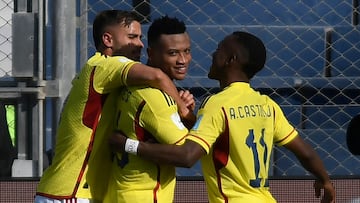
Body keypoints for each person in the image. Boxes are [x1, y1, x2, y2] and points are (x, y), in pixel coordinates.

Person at [111, 31, 336, 203]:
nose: (212, 54)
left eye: (219, 50)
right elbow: (305, 152)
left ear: (231, 59)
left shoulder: (216, 104)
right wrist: (325, 180)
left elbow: (187, 157)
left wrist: (128, 145)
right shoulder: (267, 105)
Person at [34, 10, 191, 203]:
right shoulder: (103, 66)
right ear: (108, 40)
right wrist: (183, 110)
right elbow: (156, 75)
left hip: (83, 193)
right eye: (132, 37)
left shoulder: (115, 80)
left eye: (140, 37)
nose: (140, 44)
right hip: (70, 192)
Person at [100, 15, 193, 203]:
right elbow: (187, 154)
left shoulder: (137, 87)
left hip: (122, 193)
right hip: (144, 196)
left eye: (187, 51)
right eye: (173, 53)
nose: (182, 60)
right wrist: (189, 116)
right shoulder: (153, 97)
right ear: (151, 54)